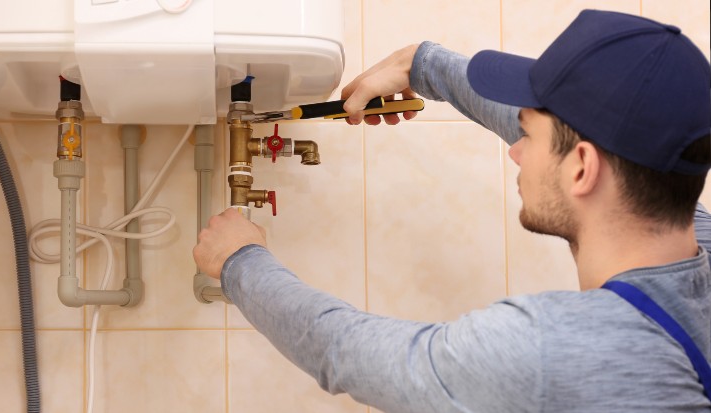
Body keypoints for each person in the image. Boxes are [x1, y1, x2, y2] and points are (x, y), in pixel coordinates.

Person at [193, 9, 711, 413]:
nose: (515, 148)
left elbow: (345, 351)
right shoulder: (692, 231)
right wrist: (422, 65)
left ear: (581, 168)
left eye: (527, 135)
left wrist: (242, 263)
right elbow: (588, 145)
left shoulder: (550, 352)